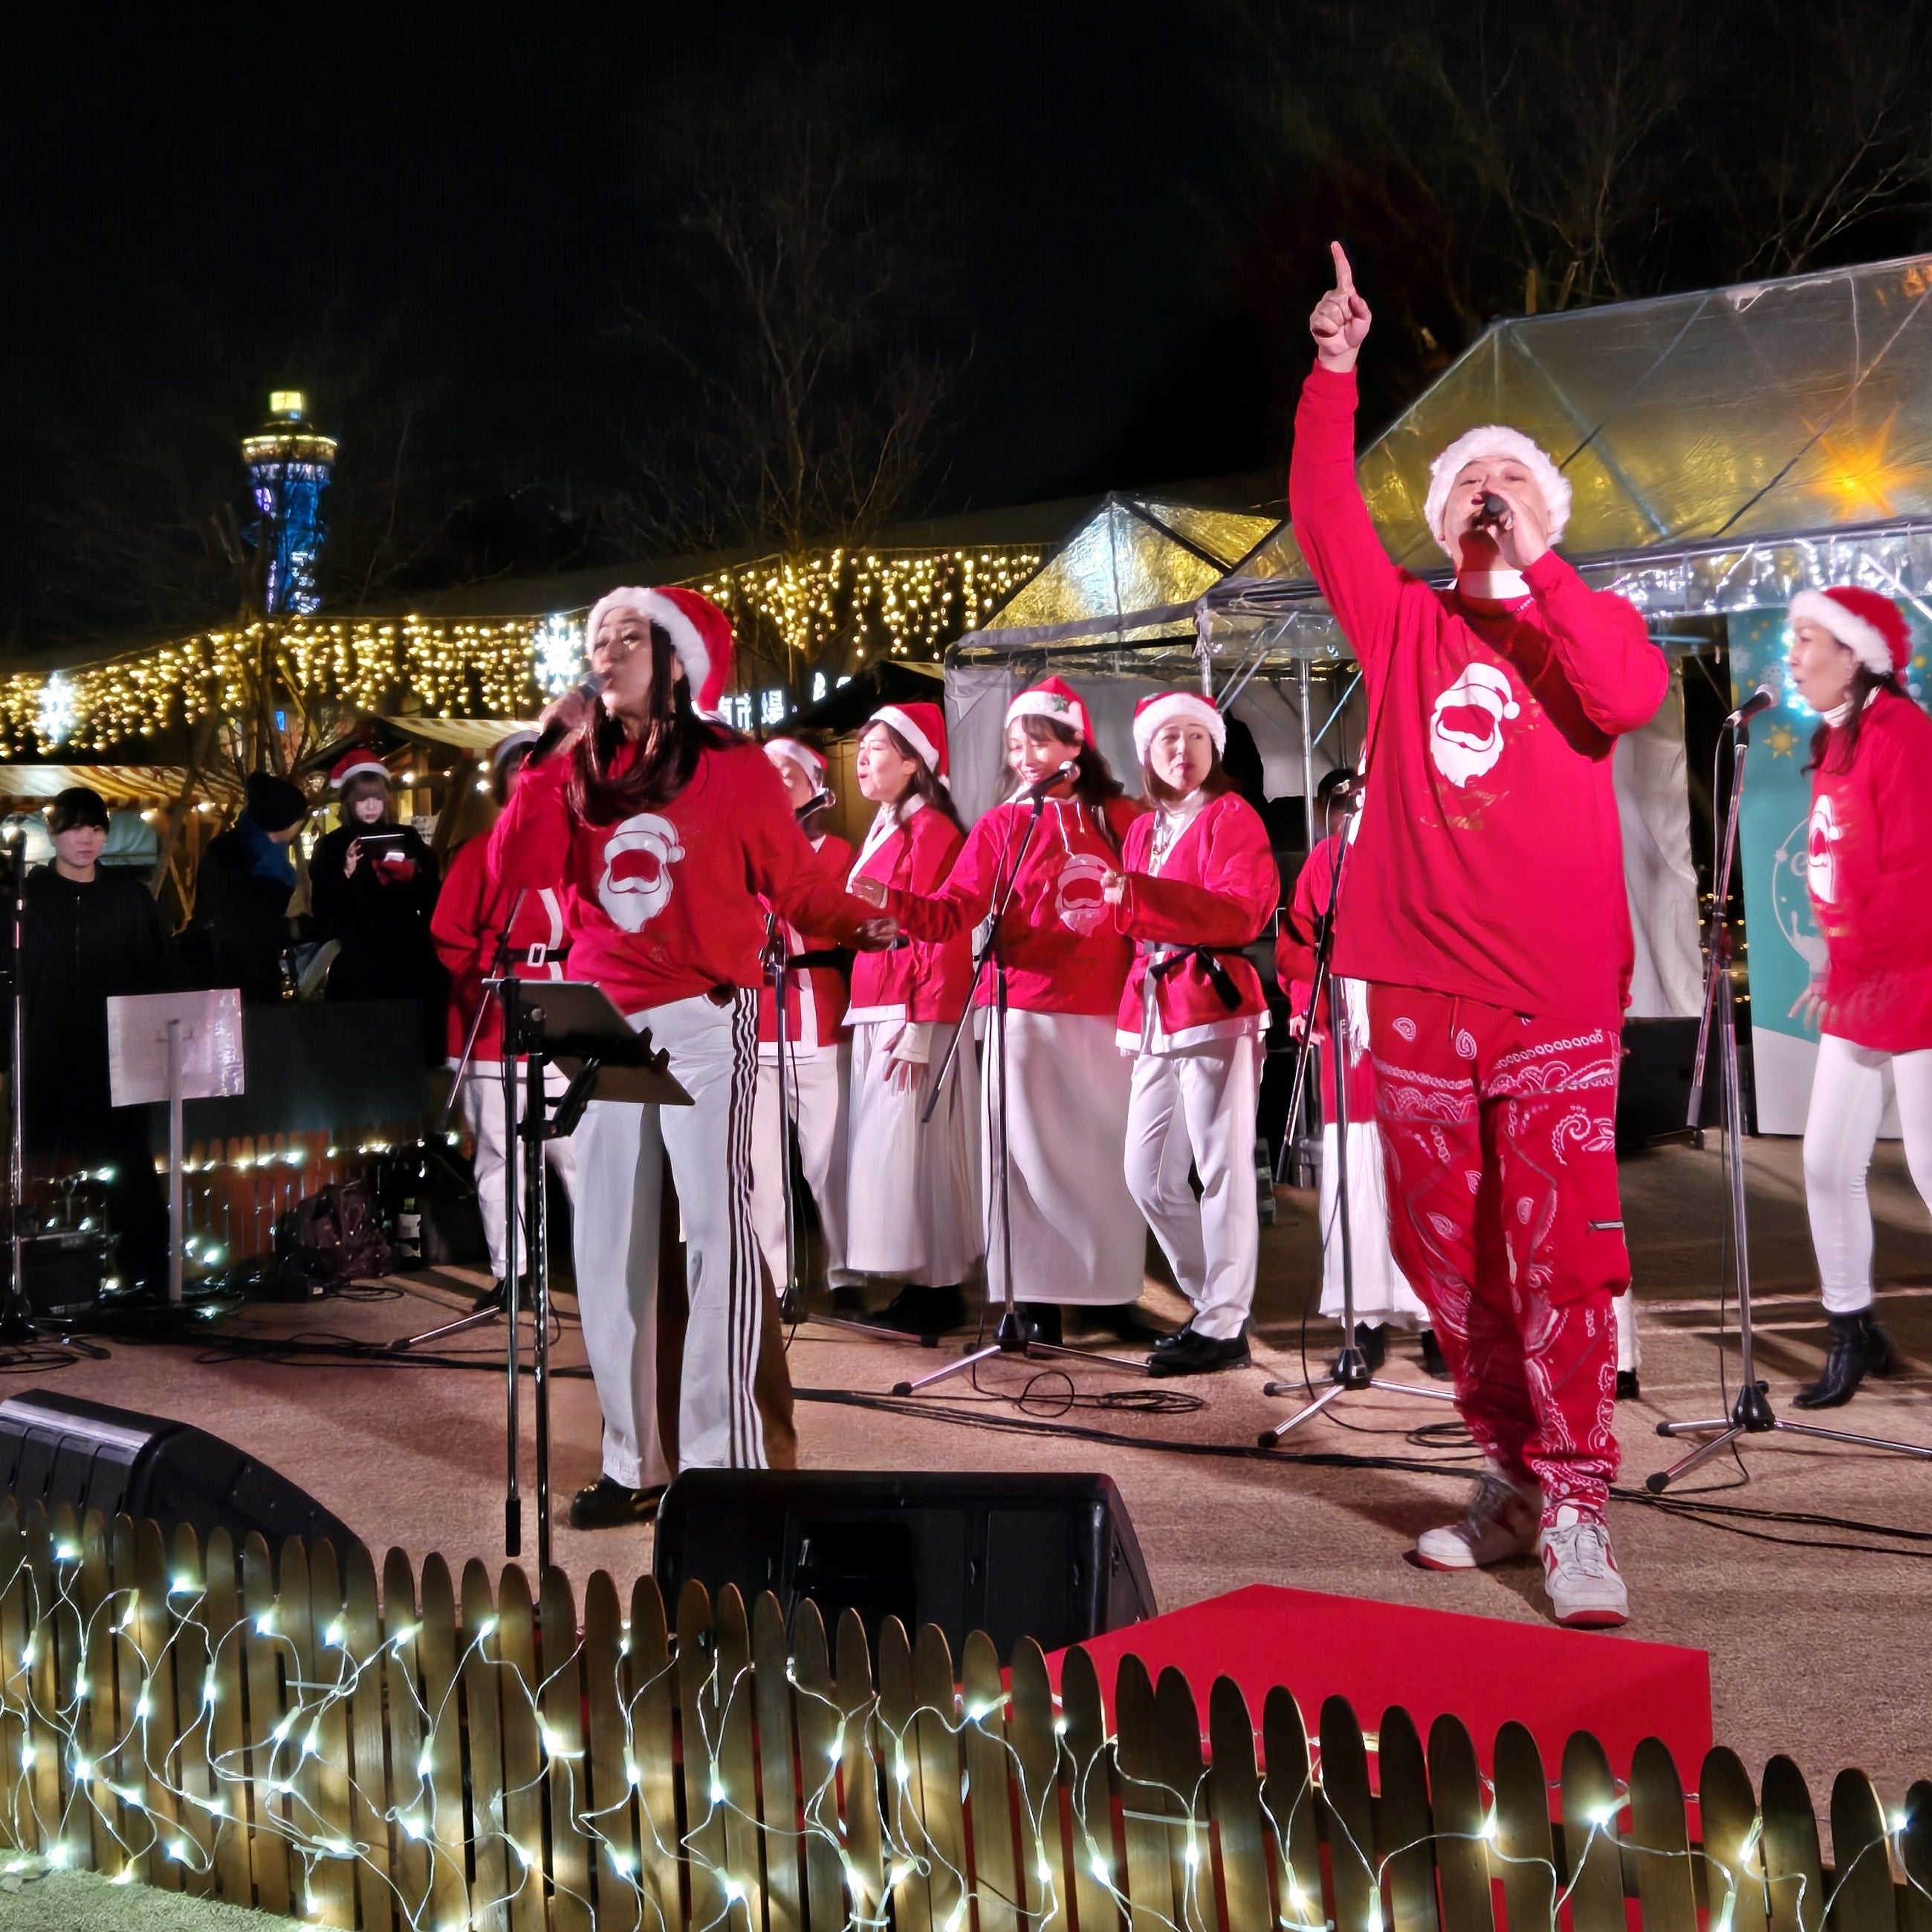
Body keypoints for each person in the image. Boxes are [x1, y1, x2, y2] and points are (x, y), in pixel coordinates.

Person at [1292, 242, 1667, 1627]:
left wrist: (1541, 573)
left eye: (1507, 481)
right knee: (1443, 1253)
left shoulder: (1587, 623)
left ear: (1543, 514)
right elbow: (1322, 513)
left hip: (1551, 993)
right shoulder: (1403, 625)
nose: (1484, 495)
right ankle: (1509, 1476)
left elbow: (1628, 699)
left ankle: (1577, 1503)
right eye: (1464, 483)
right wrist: (1335, 373)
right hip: (1416, 988)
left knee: (1561, 1255)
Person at [490, 586, 868, 1528]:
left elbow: (795, 884)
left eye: (628, 636)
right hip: (598, 1018)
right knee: (608, 1245)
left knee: (716, 1234)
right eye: (597, 637)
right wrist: (545, 755)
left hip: (704, 1013)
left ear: (676, 661)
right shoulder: (578, 769)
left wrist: (882, 921)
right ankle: (635, 1462)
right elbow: (514, 875)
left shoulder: (731, 766)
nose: (607, 652)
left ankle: (721, 1459)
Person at [856, 678, 1147, 1342]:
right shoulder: (1001, 824)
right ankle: (1036, 1302)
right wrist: (894, 903)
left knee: (1107, 1158)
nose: (1024, 757)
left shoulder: (1120, 818)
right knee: (1027, 1163)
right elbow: (954, 911)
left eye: (1038, 742)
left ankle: (1111, 1295)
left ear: (1075, 745)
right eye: (1015, 746)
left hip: (1107, 1011)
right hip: (1025, 1012)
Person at [1100, 692, 1279, 1376]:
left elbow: (1242, 914)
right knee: (1145, 1175)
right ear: (1147, 752)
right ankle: (1215, 1303)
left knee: (1222, 1167)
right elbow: (1135, 922)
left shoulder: (1232, 816)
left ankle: (1223, 1319)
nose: (1182, 749)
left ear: (1214, 748)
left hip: (1213, 1001)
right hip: (1153, 1008)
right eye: (1168, 737)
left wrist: (1141, 898)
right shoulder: (1143, 829)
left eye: (1196, 737)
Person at [1785, 585, 1932, 1408]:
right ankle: (1852, 1330)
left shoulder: (1901, 733)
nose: (1793, 656)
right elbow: (1843, 867)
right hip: (1864, 979)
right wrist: (1834, 963)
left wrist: (1858, 968)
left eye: (1807, 639)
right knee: (1824, 1162)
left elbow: (1912, 873)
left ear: (1853, 656)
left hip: (1915, 979)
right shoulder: (1834, 737)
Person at [1275, 769, 1444, 1378]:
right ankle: (1363, 1319)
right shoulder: (1328, 859)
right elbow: (1299, 941)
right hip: (1352, 1033)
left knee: (1429, 1175)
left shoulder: (1432, 850)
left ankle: (1439, 1320)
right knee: (1357, 1173)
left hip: (1421, 1029)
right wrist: (1306, 1003)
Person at [842, 703, 981, 1335]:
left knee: (919, 1150)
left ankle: (939, 1288)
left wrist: (924, 1023)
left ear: (912, 761)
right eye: (863, 747)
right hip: (881, 1001)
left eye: (876, 748)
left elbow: (940, 929)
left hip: (910, 1006)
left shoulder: (931, 831)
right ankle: (919, 1282)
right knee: (894, 1150)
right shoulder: (887, 825)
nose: (862, 759)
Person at [429, 730, 578, 1309]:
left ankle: (600, 1269)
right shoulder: (479, 853)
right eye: (520, 768)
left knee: (576, 1155)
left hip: (565, 1005)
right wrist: (488, 984)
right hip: (494, 1012)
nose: (530, 779)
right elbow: (449, 935)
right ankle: (511, 1273)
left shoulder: (577, 851)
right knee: (499, 1156)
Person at [19, 786, 174, 1292]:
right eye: (74, 828)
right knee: (45, 1165)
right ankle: (45, 1281)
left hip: (119, 1053)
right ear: (53, 833)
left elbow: (155, 973)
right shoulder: (28, 900)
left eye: (95, 828)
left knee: (129, 1163)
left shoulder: (129, 898)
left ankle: (143, 1275)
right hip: (47, 1050)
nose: (85, 839)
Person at [750, 736, 854, 1301]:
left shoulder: (836, 853)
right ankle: (773, 1275)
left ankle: (846, 1273)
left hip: (819, 1015)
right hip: (755, 1021)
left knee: (827, 1160)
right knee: (759, 1164)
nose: (772, 783)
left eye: (786, 775)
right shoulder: (741, 853)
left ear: (816, 787)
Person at [311, 750, 444, 1057]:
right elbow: (323, 908)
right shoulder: (331, 845)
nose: (371, 806)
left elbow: (431, 895)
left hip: (406, 952)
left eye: (377, 798)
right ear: (349, 801)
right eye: (362, 799)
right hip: (357, 955)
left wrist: (412, 874)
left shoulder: (407, 837)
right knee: (361, 1044)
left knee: (406, 1041)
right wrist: (345, 873)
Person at [189, 771, 308, 1002]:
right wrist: (299, 929)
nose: (299, 827)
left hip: (257, 973)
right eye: (298, 821)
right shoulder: (231, 857)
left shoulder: (266, 854)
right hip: (228, 978)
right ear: (281, 822)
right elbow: (247, 925)